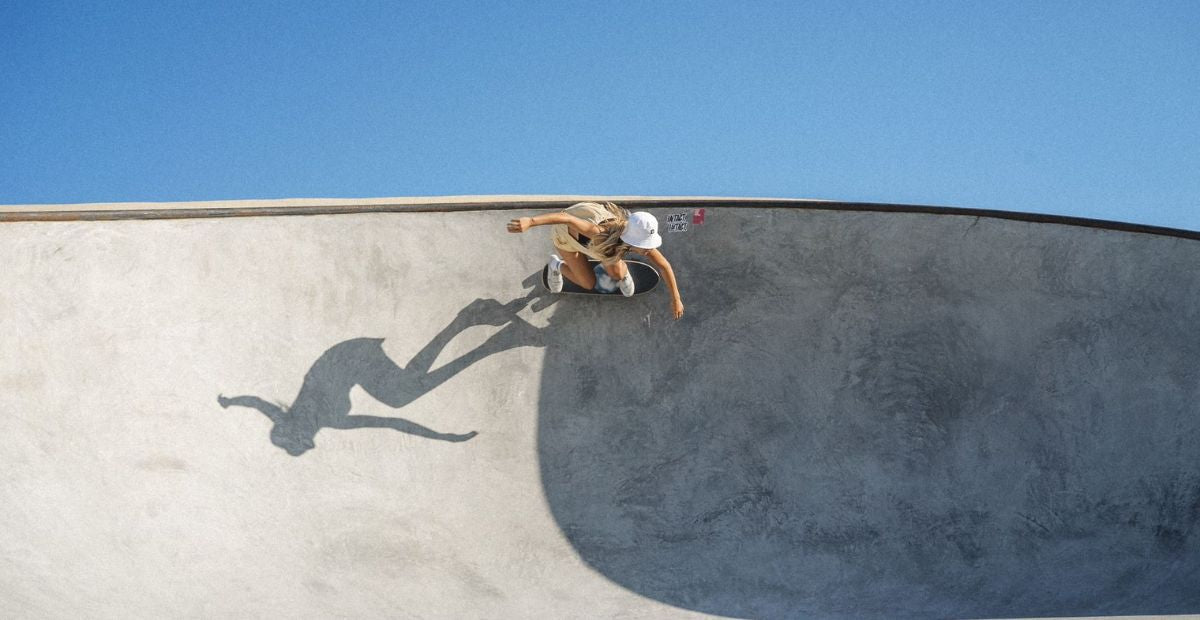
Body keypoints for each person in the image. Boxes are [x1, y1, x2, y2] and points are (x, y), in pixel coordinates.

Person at [506, 201, 685, 319]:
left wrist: (675, 298)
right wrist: (530, 221)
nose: (647, 250)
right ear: (632, 239)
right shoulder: (596, 231)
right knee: (587, 283)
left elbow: (664, 265)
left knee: (617, 273)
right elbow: (565, 218)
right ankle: (557, 265)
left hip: (604, 247)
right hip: (567, 239)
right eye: (644, 246)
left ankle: (619, 271)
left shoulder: (632, 240)